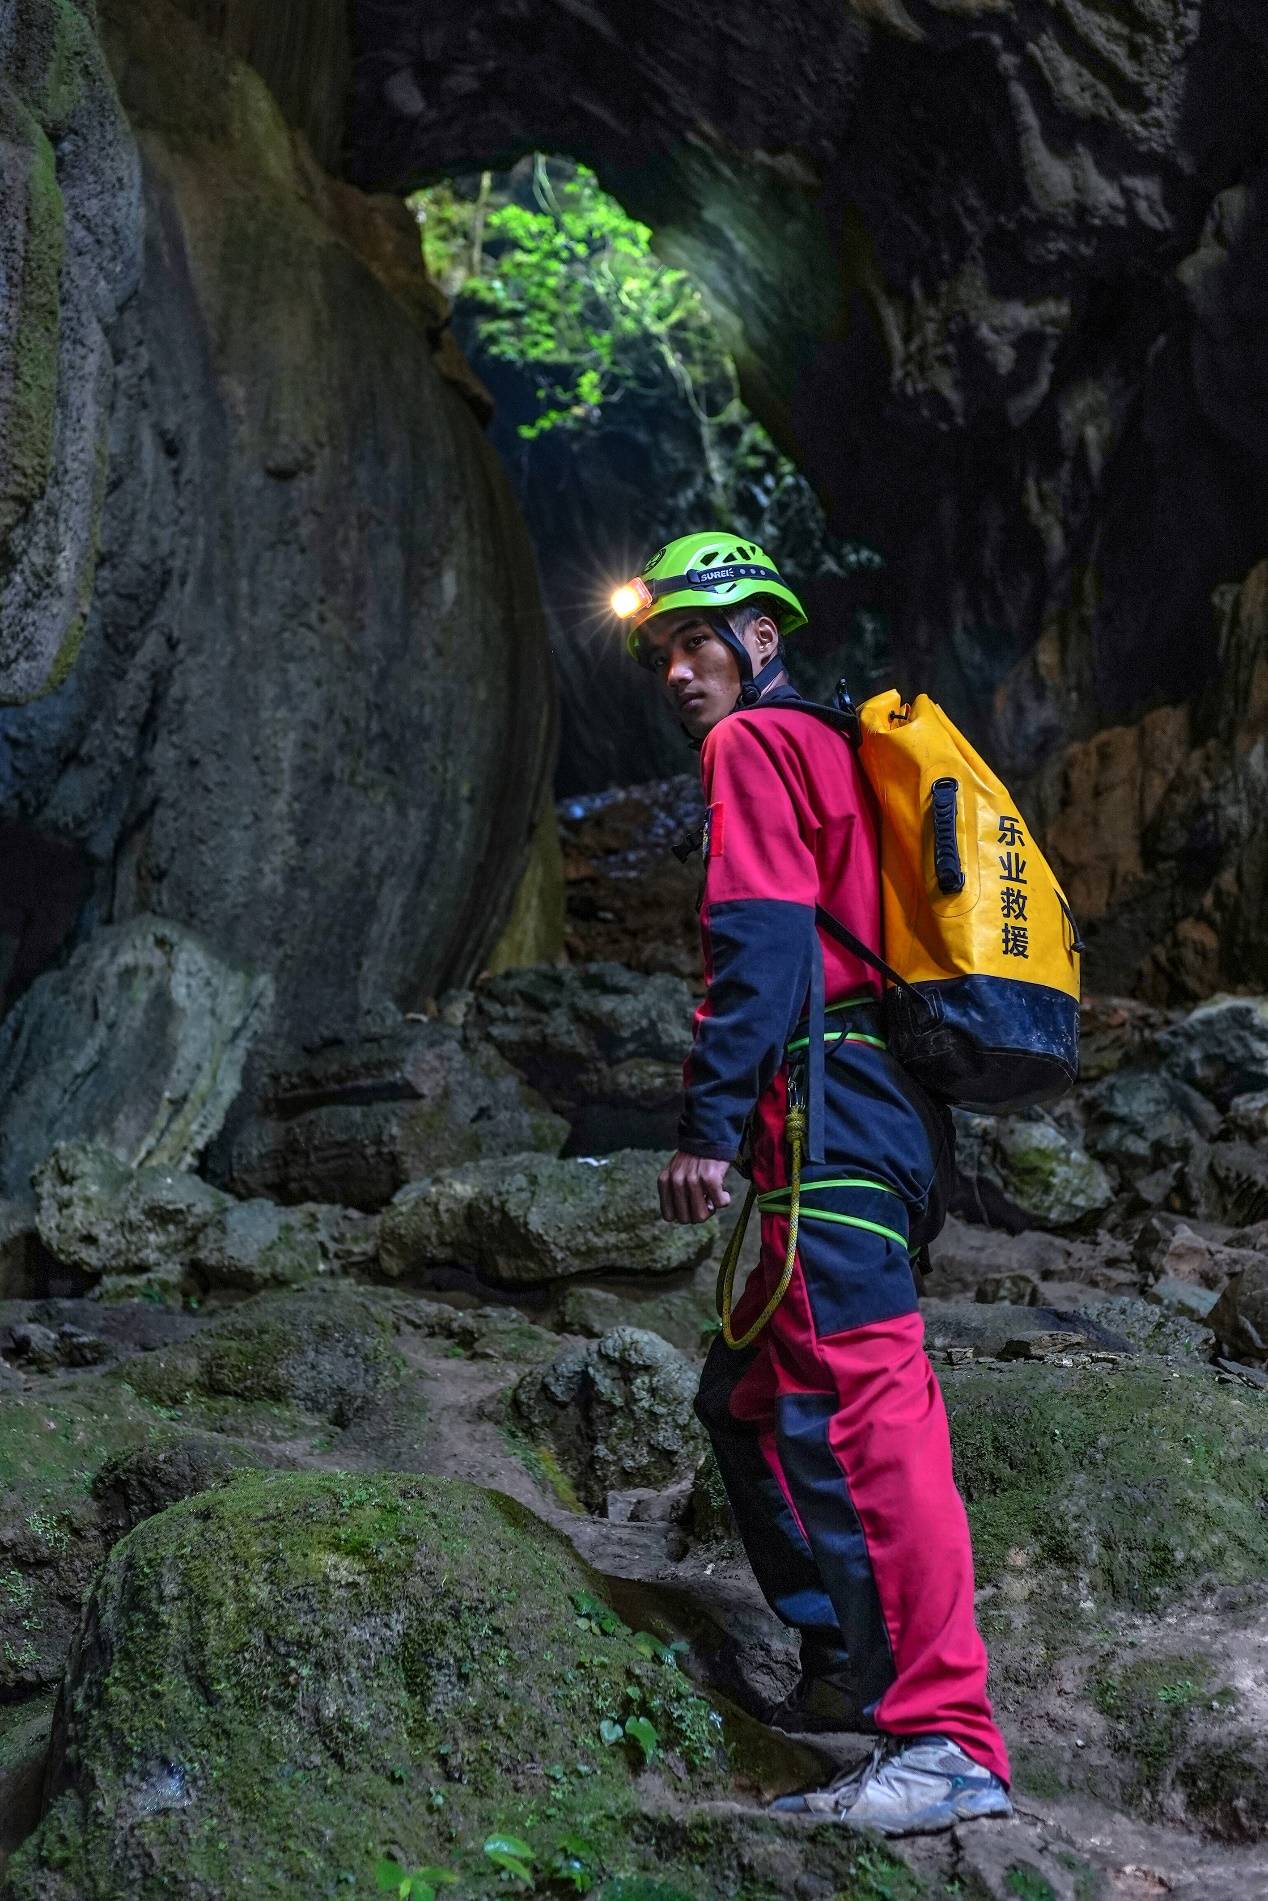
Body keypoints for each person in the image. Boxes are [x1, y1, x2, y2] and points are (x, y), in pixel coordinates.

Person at [612, 531, 1013, 1837]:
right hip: (866, 1119)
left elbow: (764, 936)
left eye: (698, 638)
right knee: (747, 1396)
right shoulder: (829, 751)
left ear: (764, 638)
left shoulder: (756, 746)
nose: (678, 668)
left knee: (863, 1413)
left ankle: (946, 1735)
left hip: (830, 1116)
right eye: (661, 651)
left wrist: (706, 1129)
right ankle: (851, 1659)